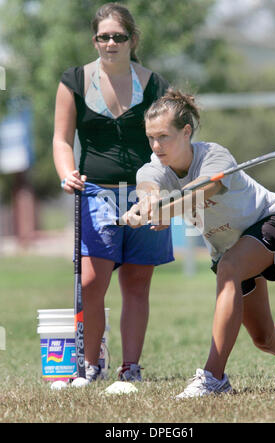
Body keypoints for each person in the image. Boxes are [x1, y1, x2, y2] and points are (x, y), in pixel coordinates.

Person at [122, 88, 275, 397]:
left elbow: (198, 192)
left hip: (270, 220)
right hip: (229, 246)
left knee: (229, 268)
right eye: (151, 137)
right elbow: (147, 187)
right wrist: (147, 207)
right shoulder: (154, 167)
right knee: (263, 336)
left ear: (186, 131)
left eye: (164, 136)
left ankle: (214, 377)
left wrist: (165, 210)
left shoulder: (214, 156)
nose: (156, 145)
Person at [53, 3, 174, 383]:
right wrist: (66, 171)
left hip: (146, 195)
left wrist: (161, 191)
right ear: (94, 40)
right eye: (103, 36)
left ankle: (131, 368)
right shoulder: (73, 80)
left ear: (131, 40)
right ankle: (91, 365)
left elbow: (167, 141)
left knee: (137, 282)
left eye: (118, 36)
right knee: (91, 282)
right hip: (95, 193)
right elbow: (60, 139)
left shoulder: (154, 84)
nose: (110, 43)